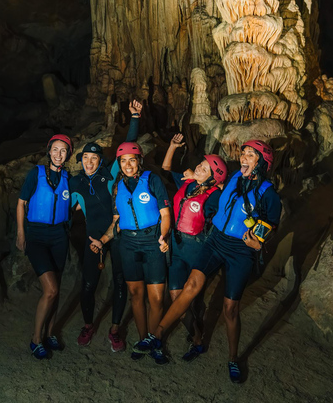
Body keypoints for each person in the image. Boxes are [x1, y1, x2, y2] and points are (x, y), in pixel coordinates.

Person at [150, 140, 282, 382]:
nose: (243, 157)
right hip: (216, 240)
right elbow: (211, 179)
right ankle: (157, 334)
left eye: (250, 155)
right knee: (191, 286)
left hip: (241, 250)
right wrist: (192, 174)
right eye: (243, 153)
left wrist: (259, 243)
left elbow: (270, 224)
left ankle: (233, 359)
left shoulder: (268, 194)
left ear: (262, 162)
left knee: (230, 309)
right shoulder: (233, 178)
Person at [70, 100, 143, 352]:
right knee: (89, 284)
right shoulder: (76, 183)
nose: (89, 162)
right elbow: (65, 206)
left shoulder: (110, 174)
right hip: (93, 239)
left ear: (100, 160)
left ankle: (114, 330)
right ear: (81, 161)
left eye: (94, 158)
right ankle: (88, 325)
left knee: (120, 282)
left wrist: (134, 118)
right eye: (85, 158)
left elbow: (126, 149)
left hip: (118, 236)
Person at [90, 142, 171, 364]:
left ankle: (156, 342)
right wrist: (104, 240)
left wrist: (163, 237)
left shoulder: (152, 180)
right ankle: (143, 339)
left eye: (132, 160)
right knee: (136, 294)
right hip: (128, 245)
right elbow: (117, 221)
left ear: (139, 160)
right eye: (123, 161)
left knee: (156, 298)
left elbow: (165, 214)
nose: (127, 165)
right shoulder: (118, 187)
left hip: (152, 242)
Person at [160, 133, 227, 362]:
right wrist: (172, 145)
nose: (198, 167)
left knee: (194, 300)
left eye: (204, 168)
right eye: (200, 164)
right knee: (176, 294)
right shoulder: (187, 182)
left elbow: (225, 212)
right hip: (176, 246)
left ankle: (197, 339)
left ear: (212, 178)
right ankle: (195, 332)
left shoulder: (216, 195)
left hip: (198, 249)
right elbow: (166, 167)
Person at [16, 134, 74, 360]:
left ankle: (50, 334)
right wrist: (21, 233)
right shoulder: (36, 174)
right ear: (49, 151)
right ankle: (36, 340)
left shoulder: (69, 178)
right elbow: (21, 203)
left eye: (63, 151)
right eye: (55, 150)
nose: (59, 154)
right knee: (50, 290)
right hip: (37, 236)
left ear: (68, 154)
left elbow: (75, 202)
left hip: (59, 236)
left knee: (56, 289)